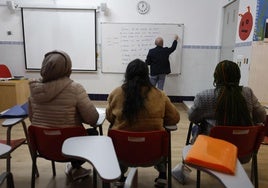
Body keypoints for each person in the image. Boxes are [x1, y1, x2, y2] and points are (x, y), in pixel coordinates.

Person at [172, 60, 266, 184]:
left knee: (196, 128)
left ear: (216, 76)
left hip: (211, 154)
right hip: (244, 152)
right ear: (238, 76)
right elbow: (261, 117)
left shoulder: (204, 96)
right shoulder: (248, 93)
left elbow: (192, 117)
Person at [106, 59, 180, 187]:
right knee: (163, 134)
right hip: (154, 154)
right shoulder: (160, 95)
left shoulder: (116, 93)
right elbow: (174, 118)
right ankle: (162, 175)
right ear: (147, 75)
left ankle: (120, 176)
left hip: (123, 153)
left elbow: (109, 117)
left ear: (127, 74)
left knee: (113, 129)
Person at [28, 50, 99, 181]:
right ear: (67, 69)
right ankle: (76, 167)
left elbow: (33, 119)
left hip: (45, 147)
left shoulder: (34, 90)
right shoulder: (75, 88)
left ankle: (75, 169)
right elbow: (93, 119)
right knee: (94, 133)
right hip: (72, 148)